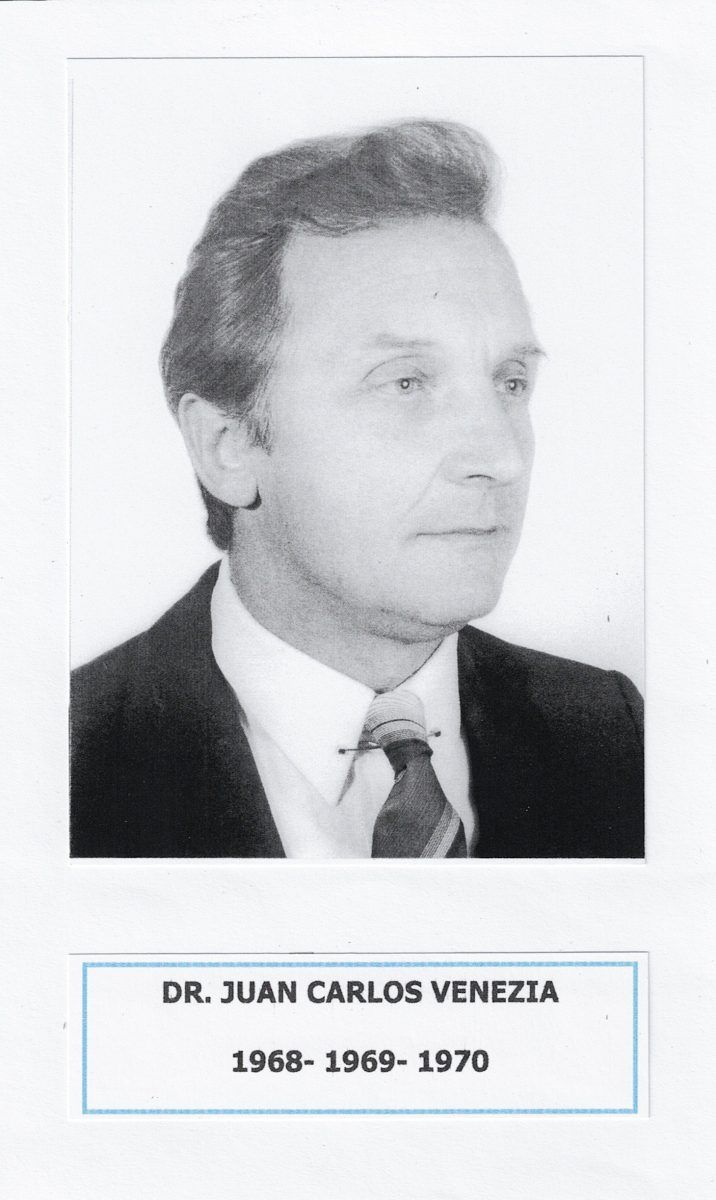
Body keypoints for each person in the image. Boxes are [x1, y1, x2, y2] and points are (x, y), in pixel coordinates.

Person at [70, 119, 643, 859]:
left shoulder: (616, 733)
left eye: (510, 382)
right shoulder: (58, 763)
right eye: (406, 383)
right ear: (228, 446)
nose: (502, 457)